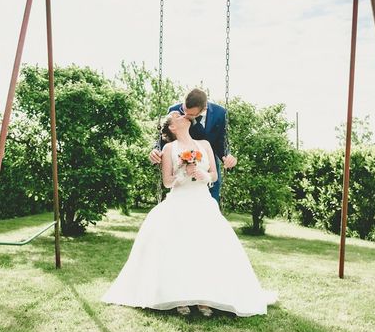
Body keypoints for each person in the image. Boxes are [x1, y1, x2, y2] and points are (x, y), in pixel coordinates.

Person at [102, 112, 277, 317]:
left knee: (205, 248)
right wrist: (182, 174)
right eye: (177, 115)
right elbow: (167, 182)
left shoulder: (205, 145)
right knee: (178, 248)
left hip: (202, 201)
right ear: (173, 127)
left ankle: (205, 298)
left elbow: (214, 174)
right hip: (178, 201)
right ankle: (180, 298)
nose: (183, 114)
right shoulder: (169, 148)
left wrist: (203, 175)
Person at [149, 88, 237, 203]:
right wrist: (156, 151)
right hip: (182, 174)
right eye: (184, 110)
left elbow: (222, 142)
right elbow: (164, 140)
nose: (185, 115)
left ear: (203, 109)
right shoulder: (174, 111)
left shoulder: (220, 113)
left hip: (208, 167)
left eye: (190, 114)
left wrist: (228, 157)